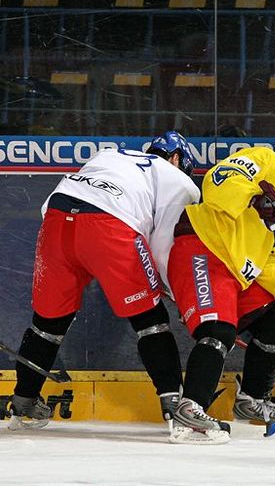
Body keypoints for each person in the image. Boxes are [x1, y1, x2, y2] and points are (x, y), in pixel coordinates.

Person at [9, 131, 201, 430]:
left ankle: (24, 402)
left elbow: (57, 203)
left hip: (57, 219)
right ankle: (176, 409)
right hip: (109, 226)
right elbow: (163, 247)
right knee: (151, 320)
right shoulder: (181, 182)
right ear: (177, 158)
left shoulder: (110, 154)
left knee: (48, 322)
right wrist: (175, 292)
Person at [166, 137, 275, 444]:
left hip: (234, 272)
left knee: (273, 326)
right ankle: (191, 408)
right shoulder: (265, 160)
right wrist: (256, 197)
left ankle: (250, 401)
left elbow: (265, 258)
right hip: (204, 247)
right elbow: (218, 182)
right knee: (219, 331)